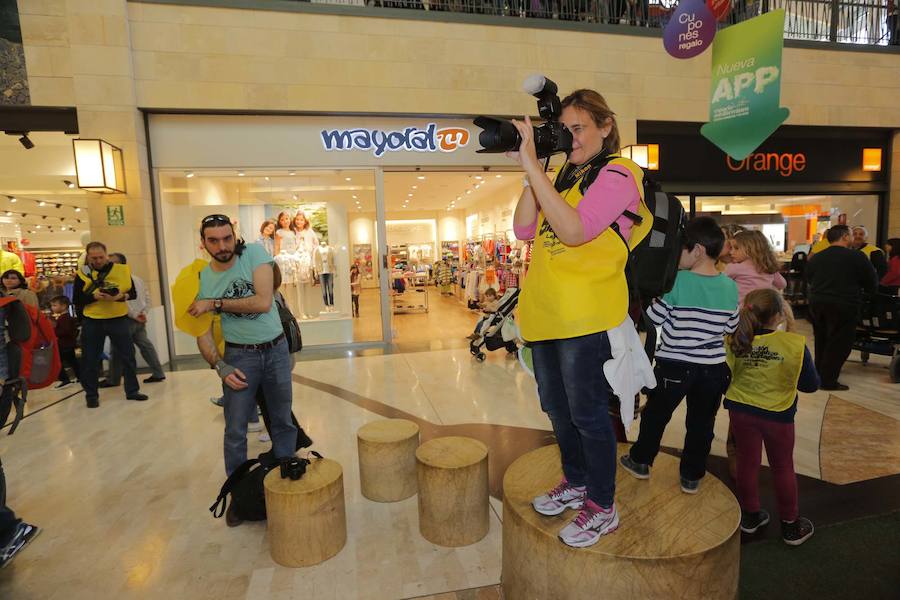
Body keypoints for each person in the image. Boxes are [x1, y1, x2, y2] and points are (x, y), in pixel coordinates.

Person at [511, 89, 650, 547]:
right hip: (546, 315)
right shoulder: (566, 177)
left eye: (579, 129)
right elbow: (524, 228)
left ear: (606, 126)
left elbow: (573, 231)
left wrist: (535, 166)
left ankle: (603, 506)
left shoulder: (620, 173)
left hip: (586, 317)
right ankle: (576, 481)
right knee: (557, 409)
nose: (570, 138)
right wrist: (540, 168)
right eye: (564, 129)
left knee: (589, 414)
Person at [620, 217, 739, 493]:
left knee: (656, 416)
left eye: (680, 250)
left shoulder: (677, 282)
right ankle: (691, 476)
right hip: (713, 368)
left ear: (696, 250)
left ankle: (640, 461)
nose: (677, 256)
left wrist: (650, 297)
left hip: (674, 364)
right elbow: (730, 326)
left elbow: (655, 318)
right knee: (702, 423)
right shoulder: (730, 286)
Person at [189, 214, 298, 476]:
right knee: (235, 428)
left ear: (234, 234)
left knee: (282, 419)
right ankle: (237, 492)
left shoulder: (254, 253)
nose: (222, 246)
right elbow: (201, 331)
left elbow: (262, 302)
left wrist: (215, 303)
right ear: (203, 242)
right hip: (239, 356)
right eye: (213, 241)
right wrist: (220, 366)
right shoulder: (201, 278)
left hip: (276, 349)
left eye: (227, 238)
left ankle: (287, 477)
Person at [725, 288, 819, 546]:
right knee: (782, 467)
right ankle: (790, 525)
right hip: (778, 415)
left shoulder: (734, 339)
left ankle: (751, 517)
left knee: (746, 463)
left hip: (741, 411)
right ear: (778, 315)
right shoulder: (793, 345)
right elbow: (811, 385)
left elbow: (724, 375)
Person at [73, 242, 147, 408]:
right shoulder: (83, 273)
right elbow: (77, 300)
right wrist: (94, 296)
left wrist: (121, 296)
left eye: (101, 257)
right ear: (88, 257)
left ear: (106, 255)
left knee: (128, 356)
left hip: (118, 318)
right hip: (92, 320)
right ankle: (91, 395)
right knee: (90, 359)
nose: (98, 260)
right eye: (94, 258)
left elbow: (133, 293)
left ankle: (132, 391)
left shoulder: (121, 270)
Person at [805, 225, 878, 391]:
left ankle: (819, 375)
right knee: (840, 342)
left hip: (818, 302)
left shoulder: (817, 257)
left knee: (822, 339)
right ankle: (828, 380)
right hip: (844, 303)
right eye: (851, 235)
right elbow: (871, 281)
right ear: (845, 237)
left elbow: (809, 278)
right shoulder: (857, 256)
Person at [101, 253, 167, 387]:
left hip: (126, 319)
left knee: (117, 348)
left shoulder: (118, 282)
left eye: (111, 263)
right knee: (146, 346)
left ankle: (114, 379)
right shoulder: (137, 279)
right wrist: (143, 313)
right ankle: (158, 372)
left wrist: (135, 314)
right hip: (139, 318)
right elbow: (147, 297)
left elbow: (123, 302)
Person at [725, 230, 787, 302]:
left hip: (742, 309)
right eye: (731, 248)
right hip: (764, 308)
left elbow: (718, 284)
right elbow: (782, 284)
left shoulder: (734, 267)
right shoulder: (768, 267)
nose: (731, 252)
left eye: (736, 248)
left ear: (750, 249)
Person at [50, 295, 80, 390]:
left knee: (58, 362)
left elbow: (65, 331)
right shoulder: (67, 317)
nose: (52, 308)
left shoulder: (64, 318)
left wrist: (54, 331)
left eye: (55, 305)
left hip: (63, 344)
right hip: (68, 344)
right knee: (72, 361)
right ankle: (80, 377)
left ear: (63, 306)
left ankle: (64, 379)